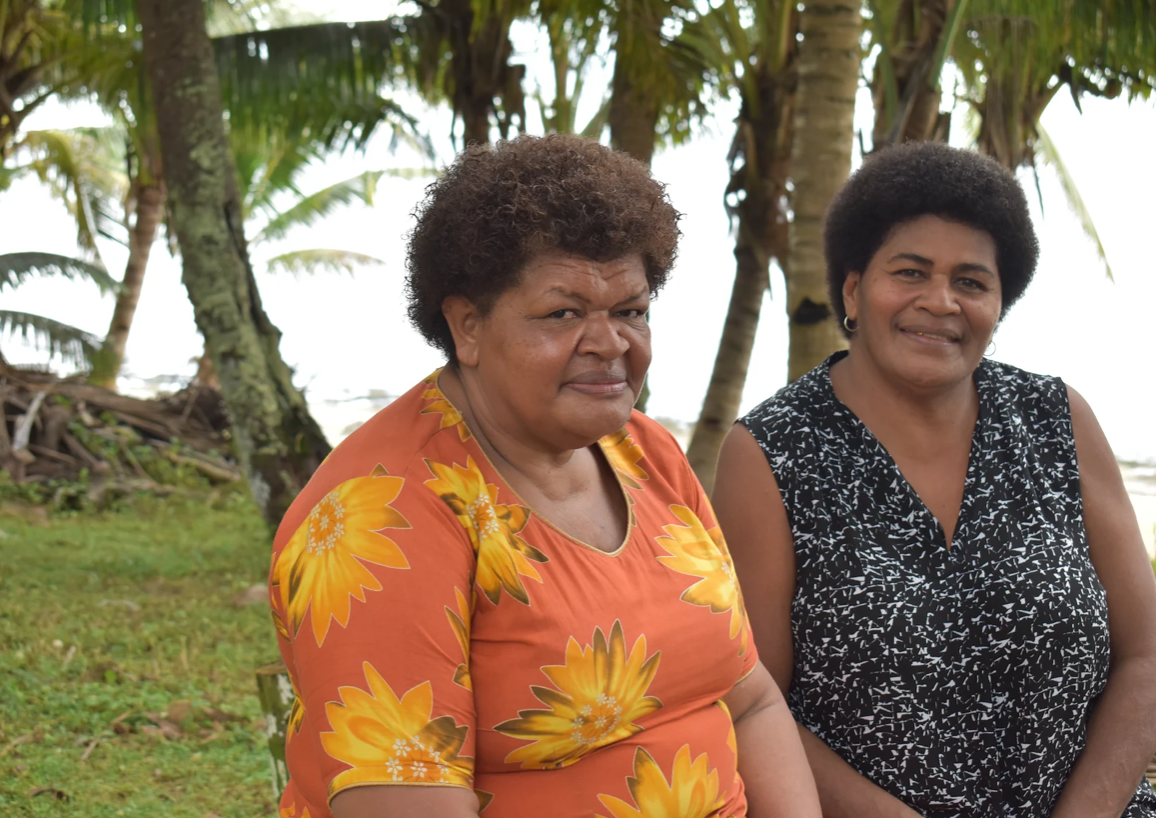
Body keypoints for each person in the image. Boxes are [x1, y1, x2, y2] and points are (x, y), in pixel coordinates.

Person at [268, 135, 821, 818]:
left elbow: (751, 700)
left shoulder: (645, 455)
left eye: (630, 311)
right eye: (563, 313)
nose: (610, 344)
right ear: (467, 325)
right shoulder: (381, 523)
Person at [713, 141, 1156, 818]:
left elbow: (1146, 658)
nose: (941, 301)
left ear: (999, 304)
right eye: (911, 272)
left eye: (971, 282)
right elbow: (751, 704)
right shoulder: (770, 452)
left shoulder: (1056, 418)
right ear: (854, 289)